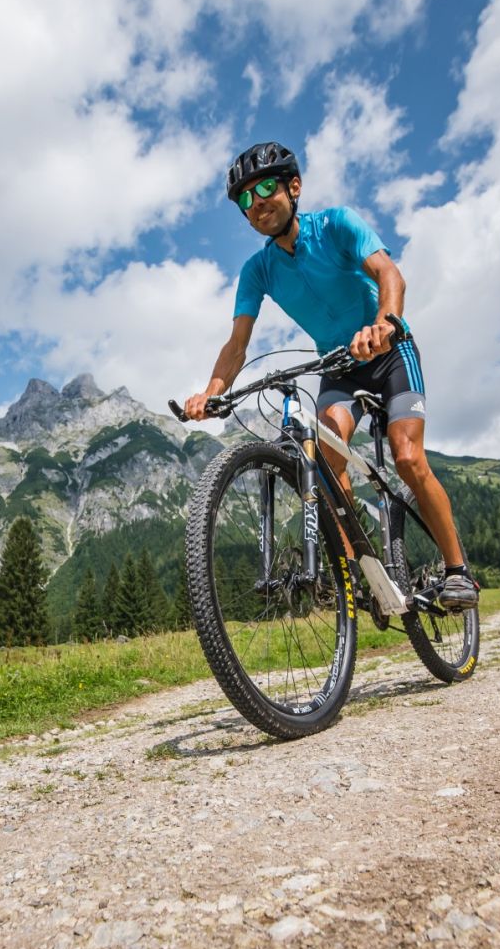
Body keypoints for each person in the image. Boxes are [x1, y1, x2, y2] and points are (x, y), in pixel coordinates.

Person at [184, 141, 478, 610]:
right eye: (244, 198)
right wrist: (213, 392)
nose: (256, 202)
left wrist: (386, 323)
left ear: (293, 187)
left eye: (265, 188)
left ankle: (458, 571)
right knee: (324, 460)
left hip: (390, 354)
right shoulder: (257, 270)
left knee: (407, 457)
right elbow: (237, 343)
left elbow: (389, 274)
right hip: (340, 369)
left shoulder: (337, 225)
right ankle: (357, 569)